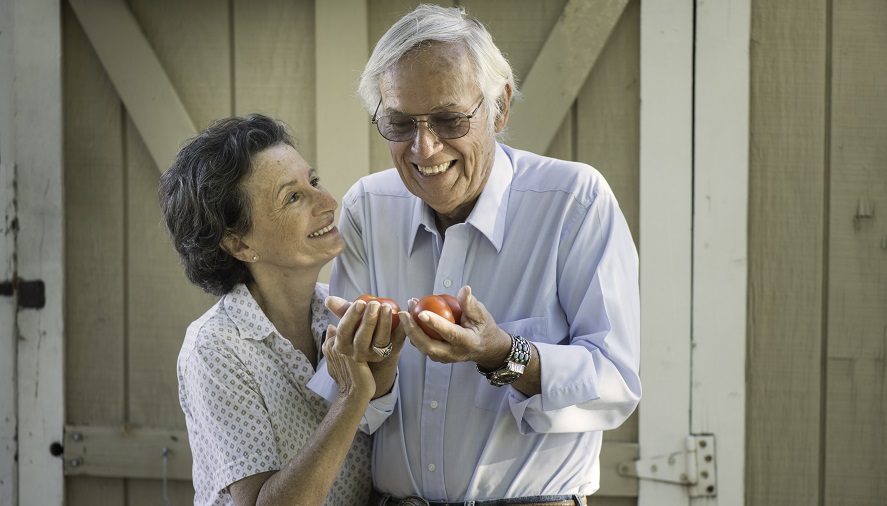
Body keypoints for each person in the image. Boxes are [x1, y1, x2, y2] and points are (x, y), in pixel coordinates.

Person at [311, 4, 642, 506]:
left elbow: (615, 385)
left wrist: (503, 355)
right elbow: (352, 403)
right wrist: (370, 372)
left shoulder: (574, 201)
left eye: (448, 119)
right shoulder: (368, 207)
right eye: (400, 123)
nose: (424, 148)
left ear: (500, 107)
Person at [159, 114, 406, 506]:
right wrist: (352, 397)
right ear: (238, 245)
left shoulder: (342, 314)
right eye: (293, 197)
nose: (327, 202)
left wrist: (384, 374)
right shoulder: (215, 349)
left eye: (314, 181)